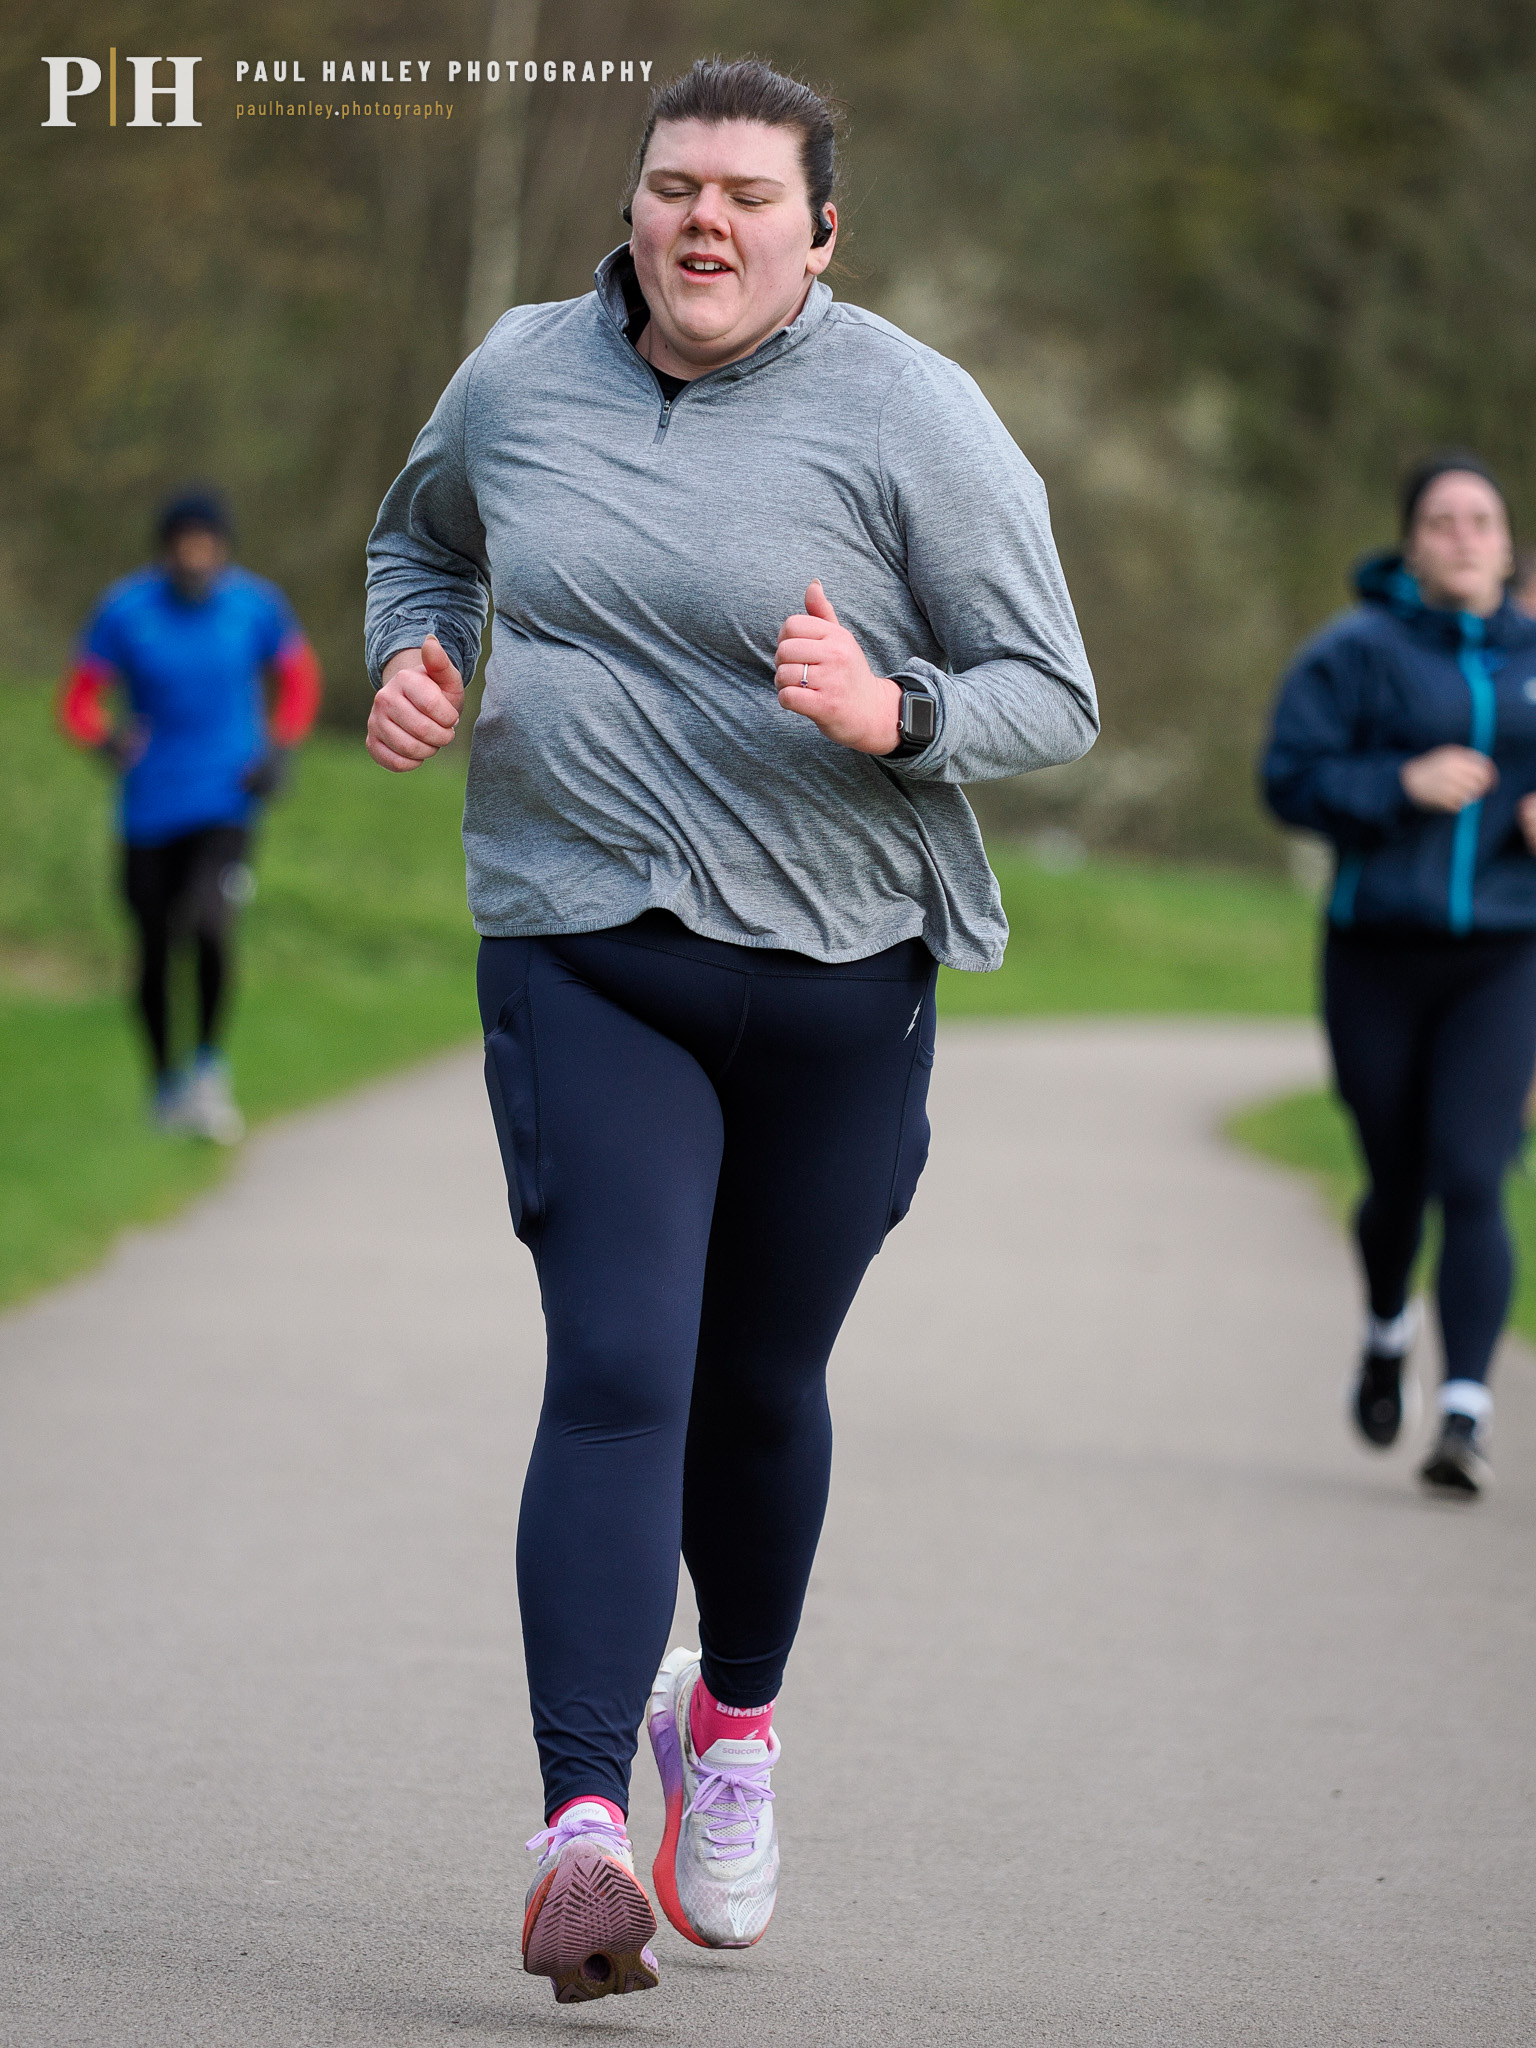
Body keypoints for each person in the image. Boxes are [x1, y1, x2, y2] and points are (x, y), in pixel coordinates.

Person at [365, 58, 1096, 2004]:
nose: (706, 219)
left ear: (820, 236)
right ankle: (581, 1829)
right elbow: (417, 541)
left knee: (758, 1389)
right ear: (631, 205)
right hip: (586, 941)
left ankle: (737, 1730)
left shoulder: (913, 417)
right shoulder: (518, 375)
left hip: (842, 977)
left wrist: (895, 715)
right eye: (675, 183)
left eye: (750, 198)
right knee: (619, 1361)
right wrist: (415, 655)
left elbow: (1053, 690)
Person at [1263, 451, 1536, 1501]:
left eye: (1483, 518)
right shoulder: (1357, 653)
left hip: (1505, 955)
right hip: (1378, 949)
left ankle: (1464, 1408)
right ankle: (1387, 1330)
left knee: (1475, 1170)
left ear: (1507, 543)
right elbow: (1288, 780)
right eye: (1443, 520)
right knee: (1396, 1181)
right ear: (1412, 543)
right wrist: (1400, 782)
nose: (1465, 534)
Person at [59, 489, 322, 1142]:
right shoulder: (126, 610)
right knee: (152, 948)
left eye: (208, 544)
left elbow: (299, 677)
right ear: (165, 549)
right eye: (184, 544)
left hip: (226, 799)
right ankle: (163, 1084)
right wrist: (105, 739)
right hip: (149, 805)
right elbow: (79, 699)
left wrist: (281, 749)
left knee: (208, 925)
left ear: (225, 549)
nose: (196, 557)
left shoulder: (255, 606)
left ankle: (207, 1069)